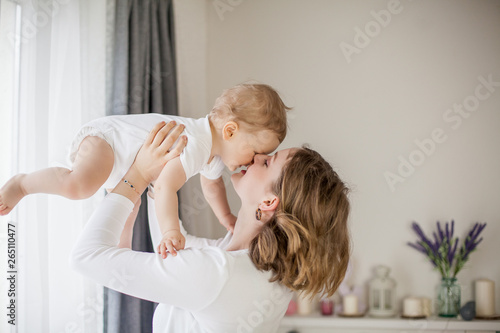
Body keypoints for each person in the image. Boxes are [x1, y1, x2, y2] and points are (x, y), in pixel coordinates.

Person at [70, 122, 351, 333]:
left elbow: (86, 257)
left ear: (268, 201)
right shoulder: (261, 269)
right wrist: (160, 181)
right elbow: (174, 249)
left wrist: (138, 175)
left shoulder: (218, 273)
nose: (255, 157)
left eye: (266, 162)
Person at [0, 83, 289, 254]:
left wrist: (226, 216)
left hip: (127, 165)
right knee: (79, 186)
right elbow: (164, 186)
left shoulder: (214, 156)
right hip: (110, 142)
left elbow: (211, 186)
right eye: (256, 153)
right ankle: (23, 184)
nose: (253, 162)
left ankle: (116, 257)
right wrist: (170, 230)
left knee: (125, 220)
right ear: (229, 131)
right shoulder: (197, 143)